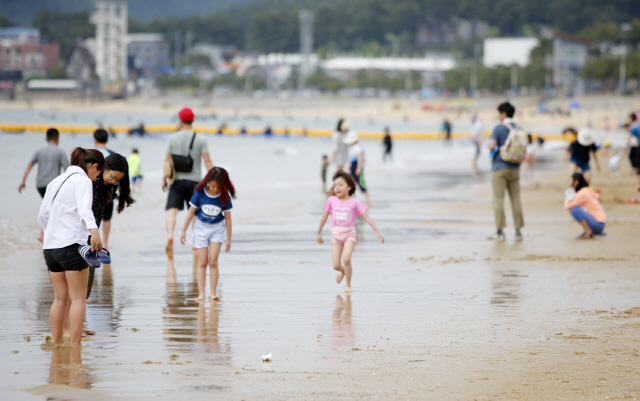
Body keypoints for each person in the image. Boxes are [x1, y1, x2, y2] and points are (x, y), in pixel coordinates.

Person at [38, 148, 104, 348]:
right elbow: (85, 209)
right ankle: (75, 346)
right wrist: (95, 231)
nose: (95, 178)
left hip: (51, 248)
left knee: (59, 298)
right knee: (78, 299)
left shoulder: (55, 182)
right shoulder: (83, 180)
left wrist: (47, 234)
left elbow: (43, 214)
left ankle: (57, 343)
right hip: (72, 245)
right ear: (93, 166)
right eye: (97, 173)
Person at [317, 171, 384, 293]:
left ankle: (348, 285)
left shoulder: (355, 203)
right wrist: (318, 233)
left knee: (346, 259)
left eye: (340, 185)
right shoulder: (331, 200)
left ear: (349, 187)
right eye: (335, 185)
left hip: (349, 235)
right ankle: (343, 271)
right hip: (336, 237)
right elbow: (324, 217)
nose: (337, 187)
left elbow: (367, 217)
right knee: (336, 265)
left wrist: (377, 231)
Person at [162, 107, 214, 258]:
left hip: (176, 180)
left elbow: (167, 161)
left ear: (180, 120)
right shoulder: (201, 139)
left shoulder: (172, 138)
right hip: (195, 182)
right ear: (193, 120)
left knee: (172, 210)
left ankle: (170, 235)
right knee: (196, 213)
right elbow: (207, 161)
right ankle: (195, 243)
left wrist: (164, 179)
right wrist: (213, 178)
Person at [180, 167, 235, 302]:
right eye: (213, 186)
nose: (215, 189)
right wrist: (183, 230)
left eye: (219, 187)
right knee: (203, 262)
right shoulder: (199, 193)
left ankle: (213, 293)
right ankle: (201, 294)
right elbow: (191, 212)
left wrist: (228, 239)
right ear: (207, 181)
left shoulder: (224, 196)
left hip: (217, 229)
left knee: (213, 262)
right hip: (200, 229)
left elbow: (228, 218)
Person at [18, 128, 69, 241]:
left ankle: (45, 235)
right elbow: (67, 170)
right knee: (53, 208)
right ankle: (43, 234)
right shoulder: (60, 152)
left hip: (40, 185)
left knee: (49, 207)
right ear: (58, 138)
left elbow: (29, 166)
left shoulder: (39, 151)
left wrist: (23, 181)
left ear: (46, 139)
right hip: (53, 185)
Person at [487, 102, 524, 242]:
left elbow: (491, 146)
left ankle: (500, 231)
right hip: (515, 168)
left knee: (498, 199)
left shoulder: (499, 128)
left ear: (503, 113)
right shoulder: (519, 128)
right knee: (516, 199)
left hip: (499, 168)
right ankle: (518, 231)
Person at [564, 172, 606, 239]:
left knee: (574, 210)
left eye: (570, 180)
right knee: (576, 209)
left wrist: (567, 197)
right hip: (600, 224)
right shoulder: (586, 190)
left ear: (576, 182)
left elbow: (567, 207)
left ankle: (588, 231)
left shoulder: (582, 193)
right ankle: (588, 231)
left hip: (598, 225)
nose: (569, 183)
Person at [93, 128, 116, 249]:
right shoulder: (112, 154)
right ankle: (105, 243)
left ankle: (91, 240)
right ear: (107, 139)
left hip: (91, 191)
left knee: (91, 217)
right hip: (108, 191)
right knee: (107, 218)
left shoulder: (89, 154)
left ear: (94, 139)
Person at [344, 131, 371, 207]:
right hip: (354, 166)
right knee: (352, 183)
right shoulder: (354, 147)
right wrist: (351, 166)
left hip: (357, 167)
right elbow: (354, 158)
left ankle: (368, 200)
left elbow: (359, 157)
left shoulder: (357, 147)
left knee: (361, 183)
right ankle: (350, 199)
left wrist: (358, 168)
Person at [625, 113, 640, 190]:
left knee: (633, 157)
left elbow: (629, 137)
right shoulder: (637, 124)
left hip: (637, 144)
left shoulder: (633, 126)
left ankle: (635, 170)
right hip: (637, 144)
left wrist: (626, 147)